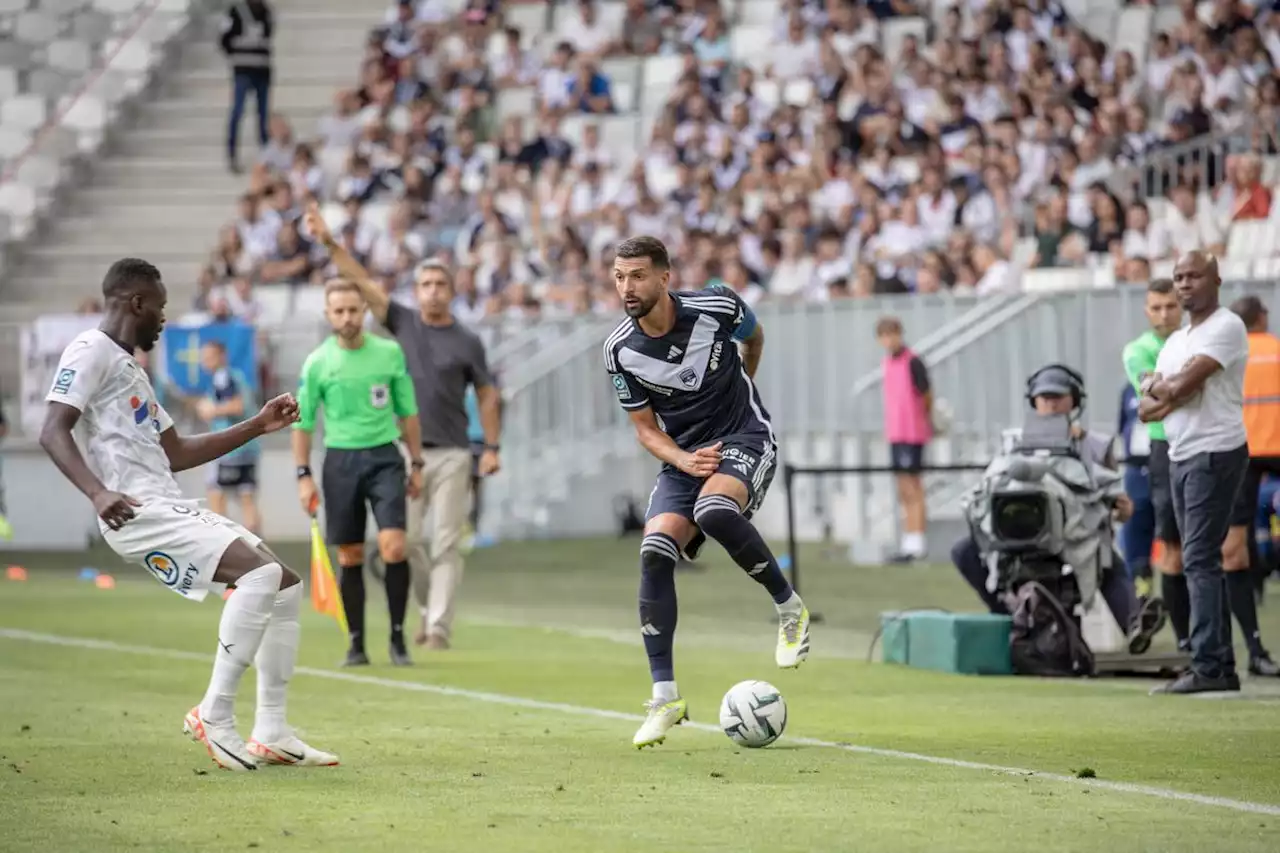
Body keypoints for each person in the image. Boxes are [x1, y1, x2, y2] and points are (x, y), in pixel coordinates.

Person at [38, 258, 336, 770]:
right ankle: (215, 716)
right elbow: (52, 428)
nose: (163, 318)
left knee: (284, 583)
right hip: (136, 510)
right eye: (159, 306)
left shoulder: (130, 368)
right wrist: (96, 492)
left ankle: (272, 730)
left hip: (166, 501)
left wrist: (257, 425)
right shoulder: (90, 350)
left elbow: (175, 452)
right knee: (261, 573)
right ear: (136, 302)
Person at [602, 235, 810, 750]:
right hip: (684, 456)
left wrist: (744, 393)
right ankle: (665, 697)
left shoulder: (717, 306)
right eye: (619, 276)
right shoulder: (619, 350)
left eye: (638, 276)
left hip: (744, 437)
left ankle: (790, 610)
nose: (627, 287)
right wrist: (682, 459)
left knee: (714, 511)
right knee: (653, 552)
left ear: (665, 277)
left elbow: (754, 339)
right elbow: (645, 429)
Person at [304, 204, 501, 652]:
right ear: (416, 290)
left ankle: (437, 629)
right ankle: (430, 610)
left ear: (452, 291)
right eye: (425, 284)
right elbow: (362, 283)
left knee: (447, 543)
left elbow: (488, 394)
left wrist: (491, 445)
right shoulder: (404, 322)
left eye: (440, 285)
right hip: (405, 454)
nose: (432, 291)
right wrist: (330, 243)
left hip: (453, 451)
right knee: (405, 544)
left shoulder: (468, 340)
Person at [951, 364, 1164, 650]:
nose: (1051, 403)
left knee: (1102, 554)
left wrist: (1118, 508)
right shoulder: (1012, 442)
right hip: (1013, 530)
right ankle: (1006, 616)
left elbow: (1117, 501)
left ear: (1074, 400)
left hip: (1071, 532)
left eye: (1058, 396)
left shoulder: (1094, 444)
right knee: (963, 551)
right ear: (1033, 401)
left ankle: (1134, 622)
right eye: (1044, 397)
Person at [293, 280, 423, 668]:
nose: (348, 318)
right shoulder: (318, 362)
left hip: (385, 456)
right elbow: (302, 423)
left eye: (354, 310)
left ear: (364, 311)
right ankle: (356, 643)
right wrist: (303, 474)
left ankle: (398, 639)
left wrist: (417, 463)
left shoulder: (389, 353)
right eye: (340, 311)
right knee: (349, 554)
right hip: (341, 461)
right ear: (329, 315)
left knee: (393, 546)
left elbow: (408, 412)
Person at [1141, 251, 1249, 694]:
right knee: (1200, 559)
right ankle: (1219, 665)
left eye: (1193, 275)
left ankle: (1207, 665)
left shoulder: (1226, 326)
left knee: (1201, 559)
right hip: (1182, 453)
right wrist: (1162, 387)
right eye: (1178, 277)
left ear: (1216, 279)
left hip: (1213, 450)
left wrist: (1165, 385)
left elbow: (1179, 386)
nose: (1185, 284)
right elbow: (1149, 407)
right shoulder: (1177, 341)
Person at [1121, 278, 1187, 643]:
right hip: (1164, 449)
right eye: (1157, 307)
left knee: (1216, 549)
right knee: (1168, 545)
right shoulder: (1138, 350)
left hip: (1208, 446)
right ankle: (1183, 640)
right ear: (1147, 311)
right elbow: (1152, 391)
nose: (1164, 313)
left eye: (1170, 306)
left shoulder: (1196, 340)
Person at [1219, 295, 1280, 675]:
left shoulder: (1229, 359)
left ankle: (1255, 650)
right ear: (1263, 317)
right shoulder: (1276, 349)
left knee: (1234, 551)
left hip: (1241, 453)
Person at [876, 316, 933, 563]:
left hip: (912, 432)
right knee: (903, 488)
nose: (889, 340)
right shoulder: (887, 363)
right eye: (885, 335)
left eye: (893, 334)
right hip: (896, 433)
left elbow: (926, 393)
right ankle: (908, 540)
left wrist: (923, 419)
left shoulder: (914, 362)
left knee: (914, 486)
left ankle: (918, 541)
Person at [198, 340, 261, 534]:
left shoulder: (223, 377)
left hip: (230, 449)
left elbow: (237, 406)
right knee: (246, 496)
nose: (205, 361)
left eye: (210, 357)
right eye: (204, 357)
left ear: (222, 357)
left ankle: (223, 540)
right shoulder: (236, 377)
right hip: (248, 446)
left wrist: (211, 410)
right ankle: (257, 547)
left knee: (215, 493)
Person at [220, 0, 274, 174]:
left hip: (261, 70)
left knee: (263, 114)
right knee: (238, 111)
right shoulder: (235, 11)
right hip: (243, 69)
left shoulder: (266, 11)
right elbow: (223, 39)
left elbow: (269, 34)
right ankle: (232, 154)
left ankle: (266, 154)